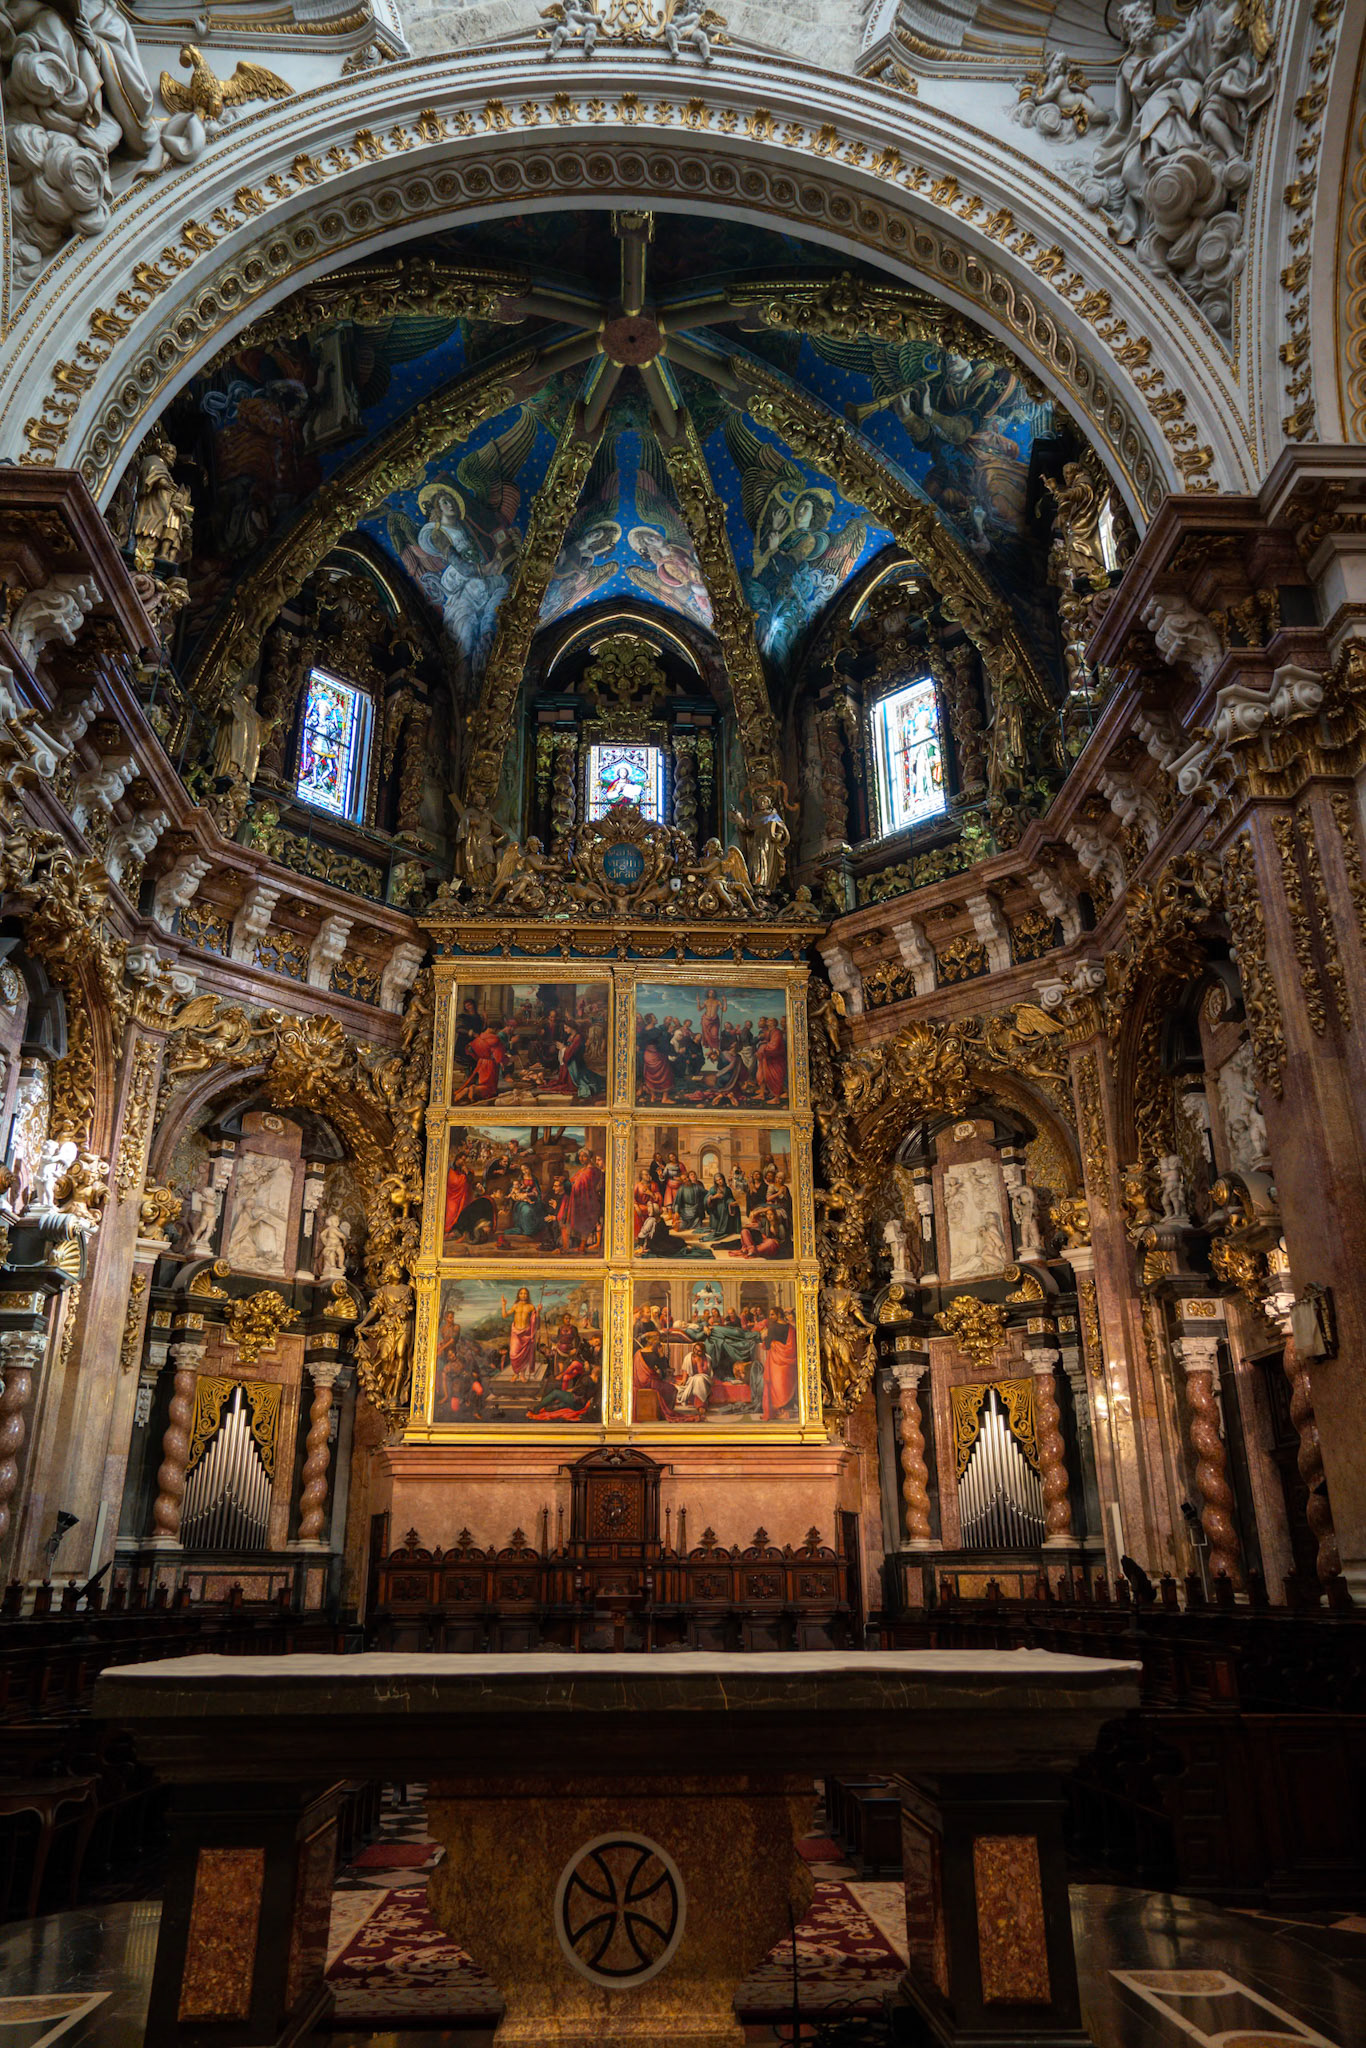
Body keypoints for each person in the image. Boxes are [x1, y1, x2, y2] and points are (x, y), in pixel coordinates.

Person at [759, 1302, 799, 1419]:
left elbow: (766, 1345)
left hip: (776, 1361)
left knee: (776, 1385)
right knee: (785, 1384)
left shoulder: (773, 1327)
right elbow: (793, 1345)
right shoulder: (790, 1328)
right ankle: (785, 1410)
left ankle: (779, 1411)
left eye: (772, 1315)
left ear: (778, 1314)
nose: (770, 1317)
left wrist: (766, 1339)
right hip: (788, 1362)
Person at [502, 1287, 540, 1380]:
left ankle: (522, 1375)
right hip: (516, 1333)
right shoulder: (515, 1306)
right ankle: (516, 1373)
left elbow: (536, 1321)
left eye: (525, 1293)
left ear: (528, 1295)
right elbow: (505, 1315)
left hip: (526, 1333)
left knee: (524, 1355)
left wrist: (538, 1311)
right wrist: (504, 1305)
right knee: (513, 1353)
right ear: (518, 1295)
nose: (523, 1295)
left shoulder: (531, 1306)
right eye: (521, 1293)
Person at [756, 1015, 788, 1104]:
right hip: (769, 1057)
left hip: (776, 1058)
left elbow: (774, 1045)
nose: (767, 1022)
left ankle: (776, 1099)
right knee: (766, 1076)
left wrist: (763, 1047)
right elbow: (766, 1041)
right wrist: (762, 1044)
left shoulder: (777, 1032)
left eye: (769, 1021)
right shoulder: (770, 1031)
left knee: (775, 1077)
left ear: (773, 1023)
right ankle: (764, 1094)